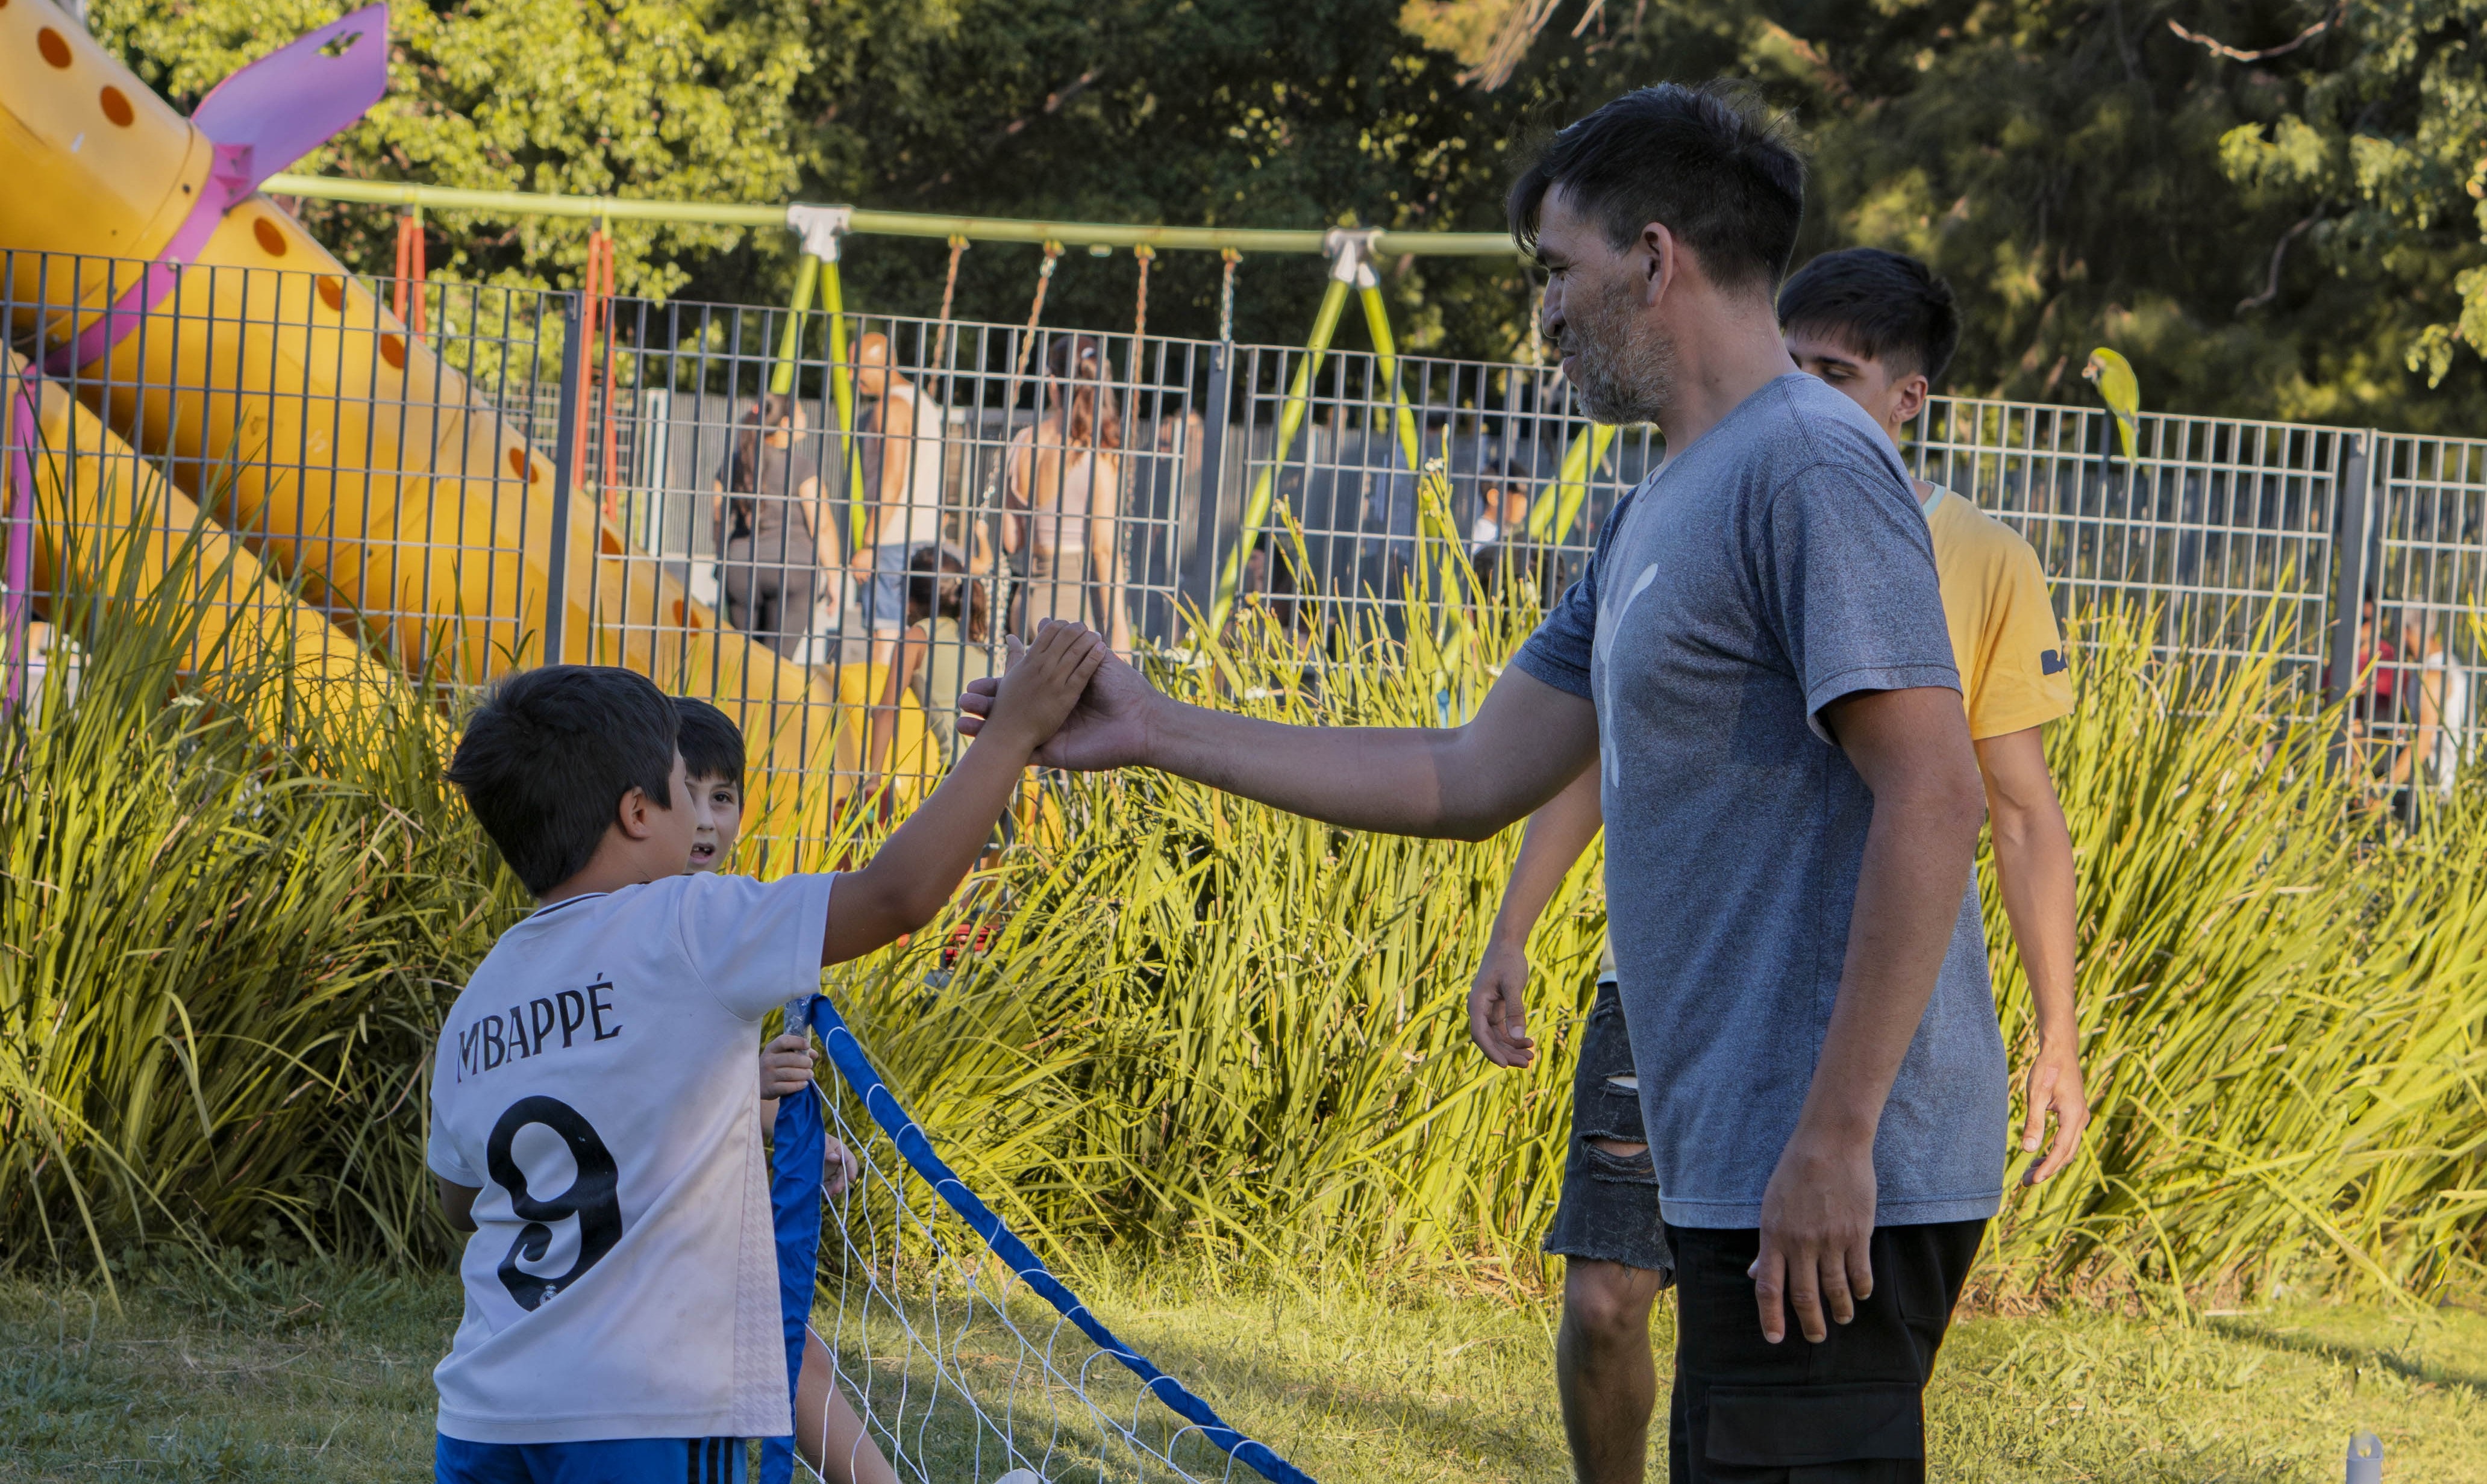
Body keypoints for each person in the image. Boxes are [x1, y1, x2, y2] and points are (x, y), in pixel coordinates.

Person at [962, 83, 2000, 1483]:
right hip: (1739, 1158)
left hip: (1831, 1168)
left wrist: (1833, 1136)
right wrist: (1153, 727)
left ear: (1653, 256)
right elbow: (1465, 770)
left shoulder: (1809, 466)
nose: (1545, 314)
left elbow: (1933, 798)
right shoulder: (1659, 504)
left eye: (1554, 274)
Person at [1471, 244, 2092, 1483]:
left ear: (1909, 397)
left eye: (1834, 373)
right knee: (1620, 1311)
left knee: (1793, 1407)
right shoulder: (1681, 506)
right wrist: (1515, 921)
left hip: (1832, 1070)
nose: (1799, 392)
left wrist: (2038, 1046)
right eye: (1787, 362)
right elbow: (1540, 752)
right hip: (1682, 1018)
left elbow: (1979, 800)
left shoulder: (1901, 524)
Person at [427, 624, 1105, 1484]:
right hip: (643, 1408)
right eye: (686, 791)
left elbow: (460, 1198)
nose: (704, 818)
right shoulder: (690, 923)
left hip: (486, 1411)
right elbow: (897, 894)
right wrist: (1013, 733)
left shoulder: (480, 1000)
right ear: (639, 814)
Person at [673, 696, 897, 1484]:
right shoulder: (662, 926)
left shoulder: (710, 915)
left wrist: (791, 1128)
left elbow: (694, 1085)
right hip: (647, 1234)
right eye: (687, 793)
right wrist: (748, 1084)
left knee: (805, 1357)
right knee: (786, 1356)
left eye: (723, 797)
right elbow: (651, 1092)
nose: (706, 818)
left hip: (699, 1216)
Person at [1004, 334, 1133, 652]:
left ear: (1052, 381)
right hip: (1076, 605)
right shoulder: (1096, 451)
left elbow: (1011, 539)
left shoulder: (1023, 441)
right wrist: (1118, 628)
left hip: (1026, 602)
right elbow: (1103, 550)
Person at [852, 331, 953, 672]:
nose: (852, 376)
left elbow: (892, 478)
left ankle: (875, 718)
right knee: (915, 633)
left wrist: (870, 542)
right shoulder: (923, 402)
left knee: (886, 636)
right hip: (923, 535)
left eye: (858, 367)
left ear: (882, 361)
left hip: (893, 538)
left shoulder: (892, 407)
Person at [713, 394, 834, 659]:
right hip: (794, 568)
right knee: (778, 665)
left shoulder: (734, 464)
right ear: (786, 423)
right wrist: (834, 579)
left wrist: (723, 560)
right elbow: (821, 527)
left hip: (742, 568)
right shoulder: (802, 468)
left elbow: (719, 517)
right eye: (801, 415)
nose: (806, 420)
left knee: (742, 663)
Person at [866, 546, 1000, 785]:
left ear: (910, 599)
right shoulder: (972, 636)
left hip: (961, 772)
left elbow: (887, 711)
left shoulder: (916, 638)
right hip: (1000, 770)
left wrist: (872, 780)